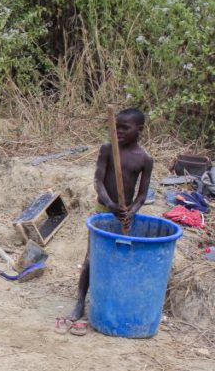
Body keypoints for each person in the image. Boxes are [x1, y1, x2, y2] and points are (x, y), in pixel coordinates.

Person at [60, 108, 153, 334]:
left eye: (125, 127)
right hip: (104, 209)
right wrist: (110, 203)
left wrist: (132, 211)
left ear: (139, 130)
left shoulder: (145, 159)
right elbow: (98, 181)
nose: (118, 131)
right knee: (91, 257)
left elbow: (142, 195)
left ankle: (110, 301)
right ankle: (80, 301)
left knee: (120, 258)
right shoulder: (108, 149)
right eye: (116, 126)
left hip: (125, 216)